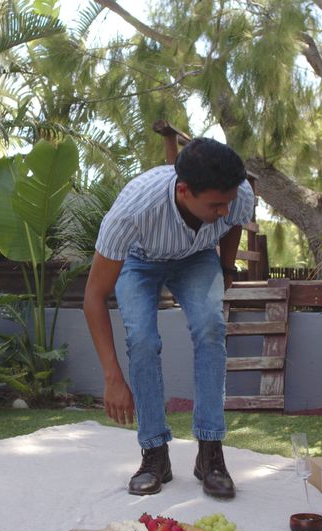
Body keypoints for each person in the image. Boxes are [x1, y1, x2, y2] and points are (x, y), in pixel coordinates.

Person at [82, 138, 254, 498]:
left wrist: (226, 267)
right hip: (139, 260)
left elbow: (235, 221)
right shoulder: (133, 211)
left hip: (197, 257)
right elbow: (94, 296)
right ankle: (154, 454)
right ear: (184, 190)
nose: (225, 210)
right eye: (215, 204)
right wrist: (112, 377)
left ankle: (210, 453)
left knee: (211, 327)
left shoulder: (238, 194)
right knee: (142, 340)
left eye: (228, 201)